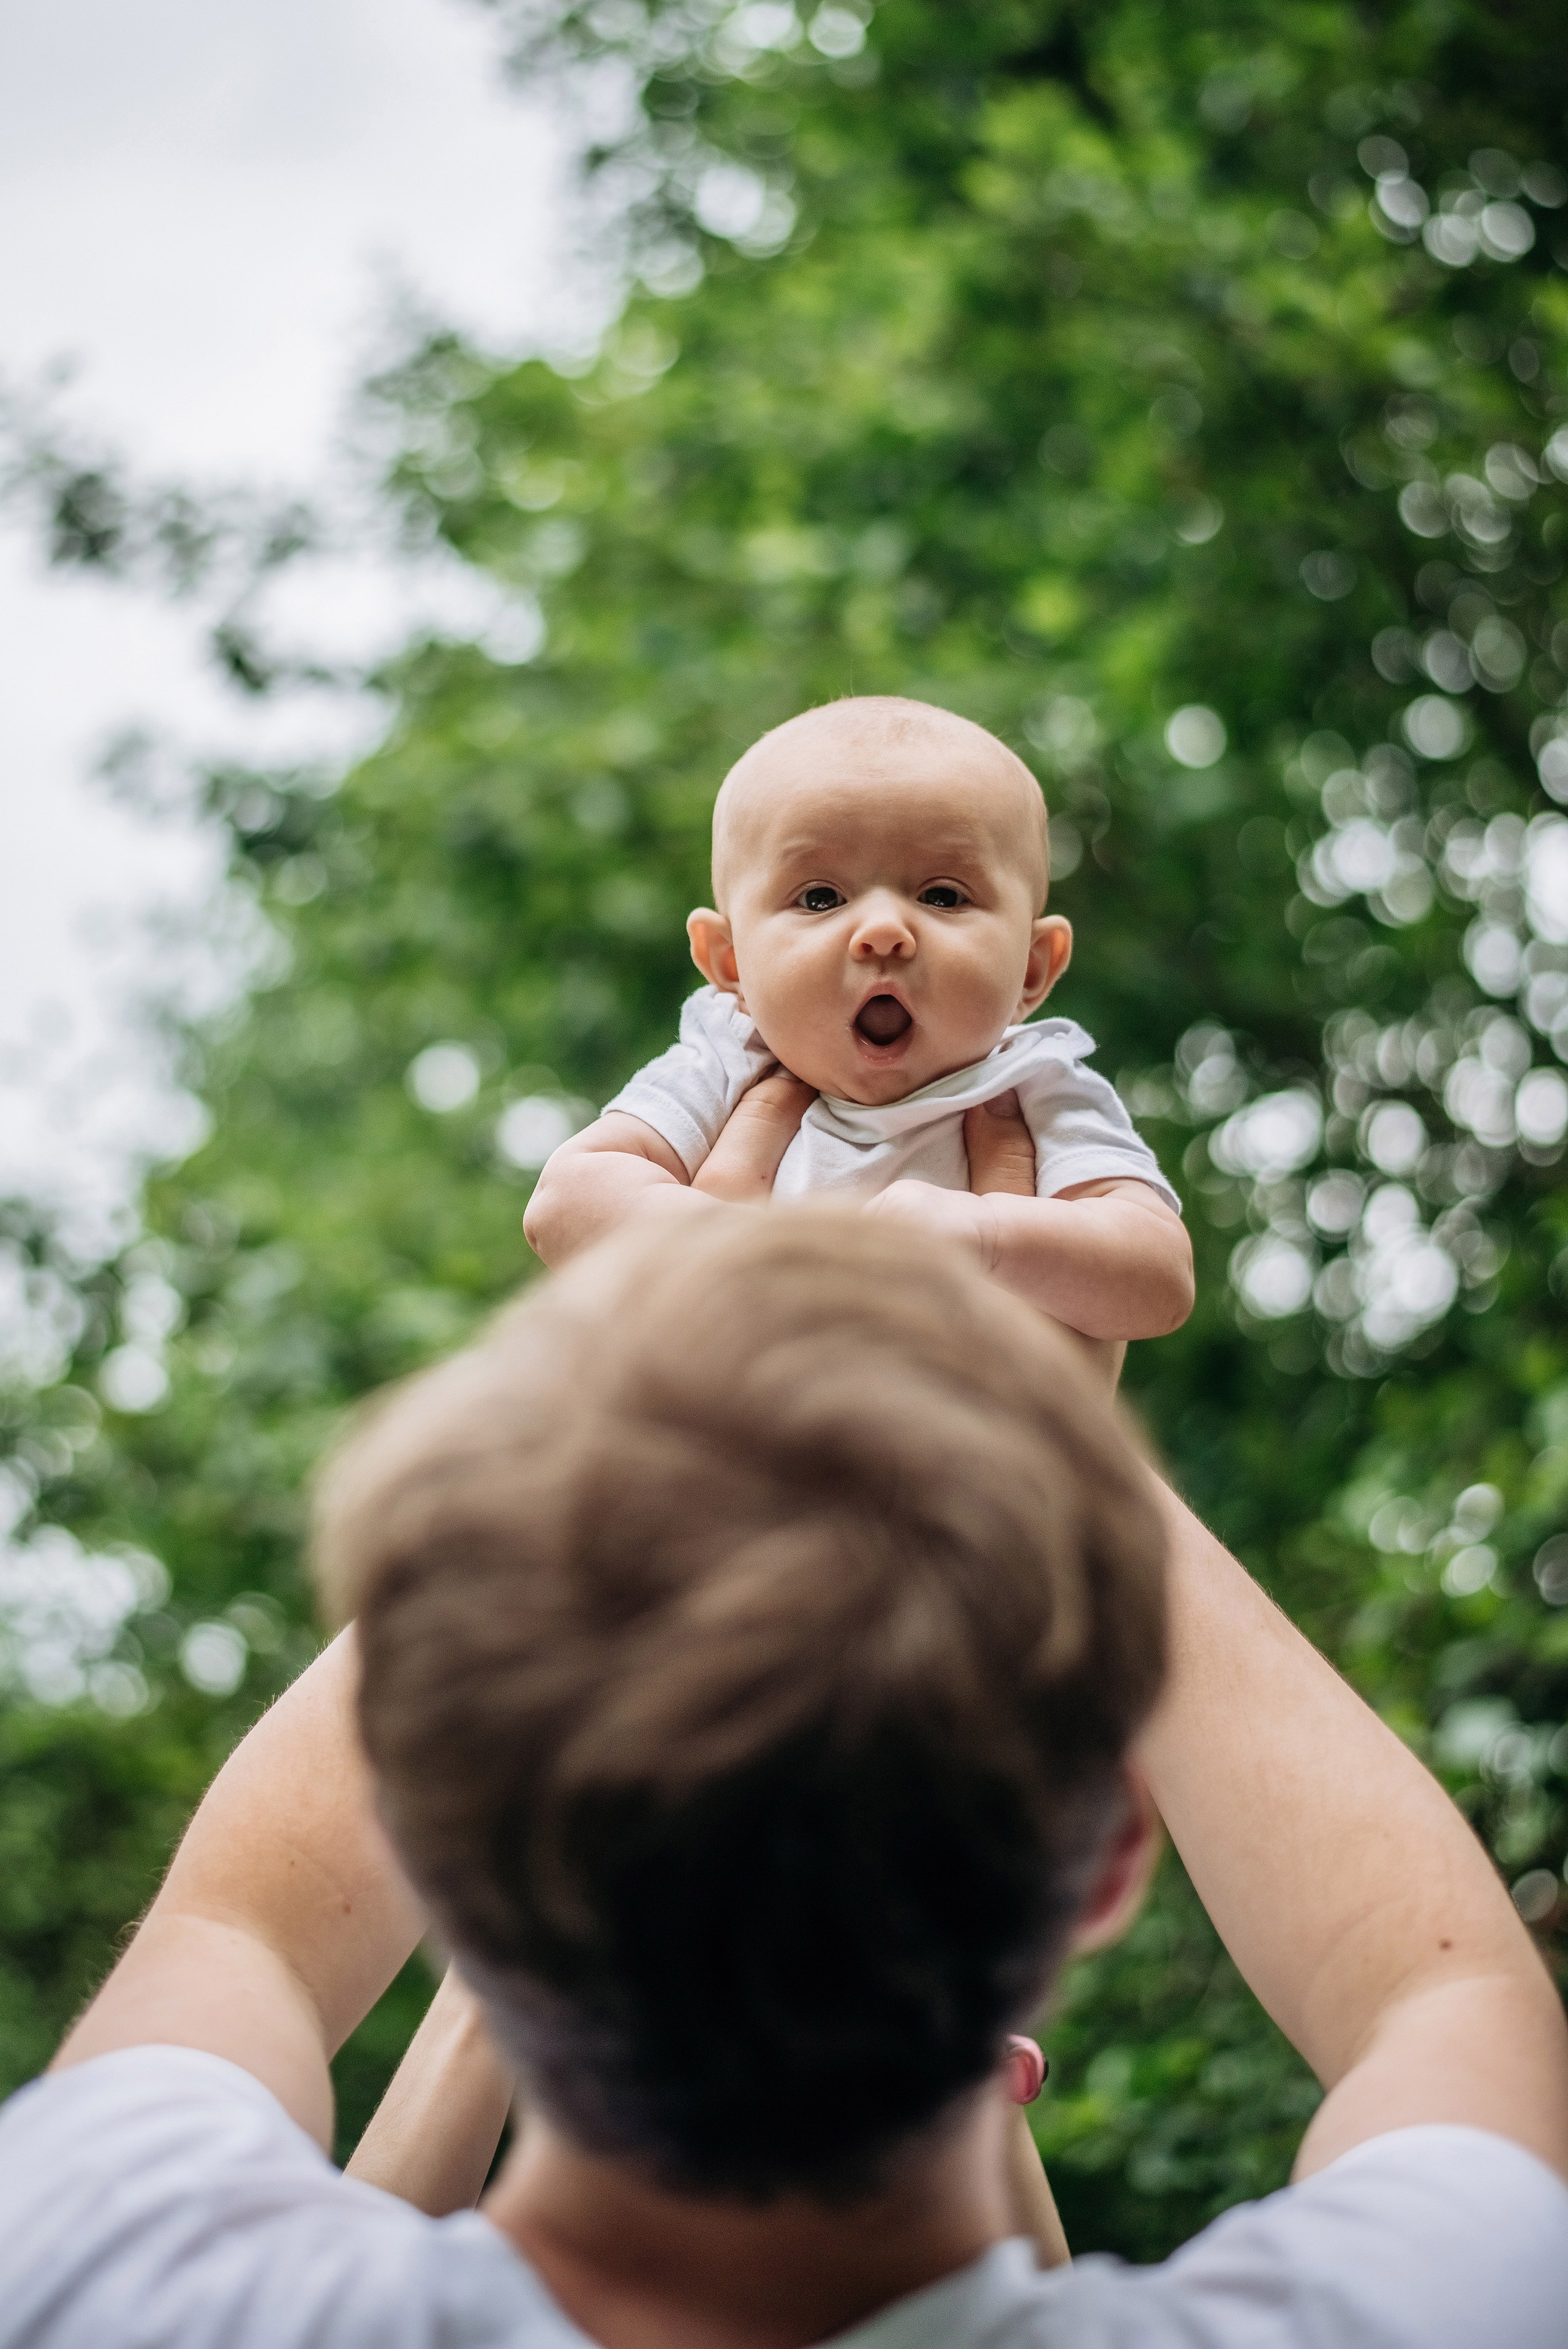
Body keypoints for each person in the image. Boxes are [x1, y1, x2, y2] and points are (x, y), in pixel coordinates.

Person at [2, 1153, 1565, 2346]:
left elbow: (245, 1927)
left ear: (424, 1839)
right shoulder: (1421, 2308)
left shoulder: (109, 2271)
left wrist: (663, 1336)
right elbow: (1442, 1988)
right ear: (1104, 1850)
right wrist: (1021, 1411)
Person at [524, 696, 1193, 1355]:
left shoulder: (1035, 1086)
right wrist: (739, 1254)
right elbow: (567, 1201)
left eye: (942, 895)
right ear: (730, 963)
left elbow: (1159, 1279)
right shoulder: (727, 1061)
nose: (882, 931)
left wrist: (988, 1238)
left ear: (1030, 967)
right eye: (819, 897)